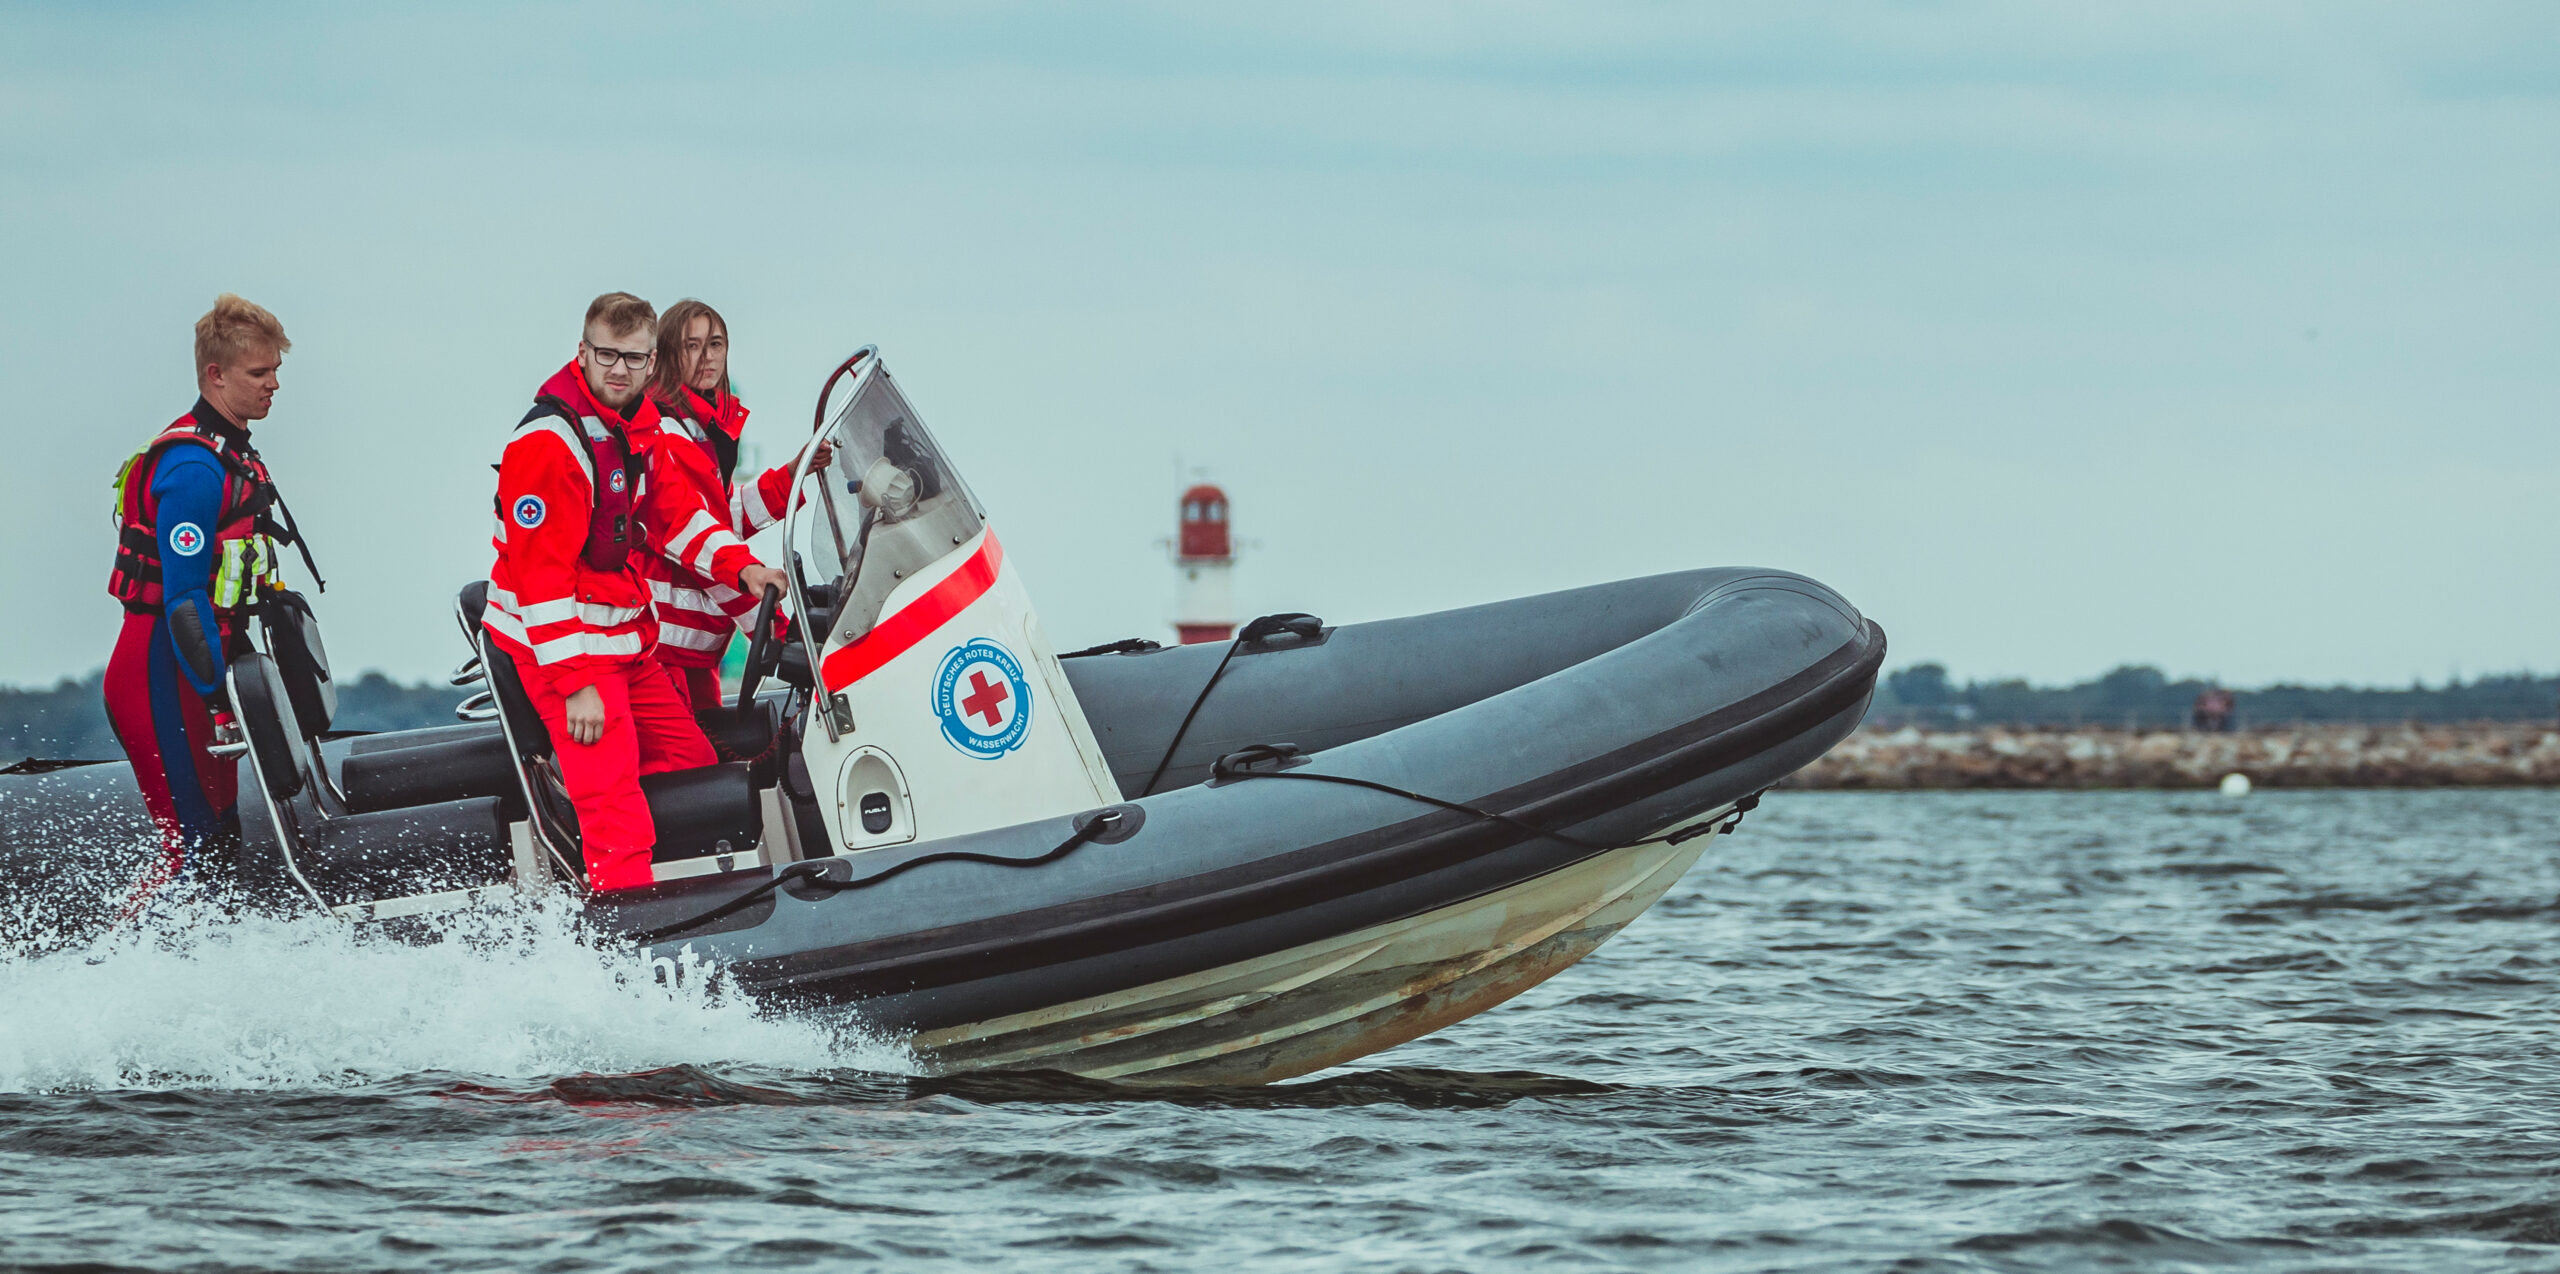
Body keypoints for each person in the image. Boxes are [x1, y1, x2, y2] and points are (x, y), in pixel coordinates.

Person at [481, 293, 789, 892]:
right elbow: (540, 578)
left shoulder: (636, 426)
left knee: (693, 766)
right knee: (613, 807)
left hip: (621, 639)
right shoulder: (549, 444)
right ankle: (623, 950)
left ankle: (686, 907)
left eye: (632, 359)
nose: (618, 370)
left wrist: (743, 569)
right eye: (606, 355)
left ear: (652, 365)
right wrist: (576, 686)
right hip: (565, 653)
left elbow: (676, 514)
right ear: (582, 353)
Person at [103, 295, 313, 915]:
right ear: (215, 375)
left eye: (276, 371)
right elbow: (186, 603)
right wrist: (218, 698)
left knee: (220, 844)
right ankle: (105, 979)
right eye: (258, 373)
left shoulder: (234, 449)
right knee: (191, 850)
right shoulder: (194, 468)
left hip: (195, 669)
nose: (273, 384)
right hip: (161, 675)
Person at [641, 299, 826, 717]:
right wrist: (776, 625)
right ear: (669, 353)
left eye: (716, 344)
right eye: (692, 346)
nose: (707, 357)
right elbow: (699, 538)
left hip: (691, 652)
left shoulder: (698, 429)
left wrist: (792, 476)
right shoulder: (668, 434)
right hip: (662, 648)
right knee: (694, 771)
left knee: (718, 757)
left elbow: (720, 514)